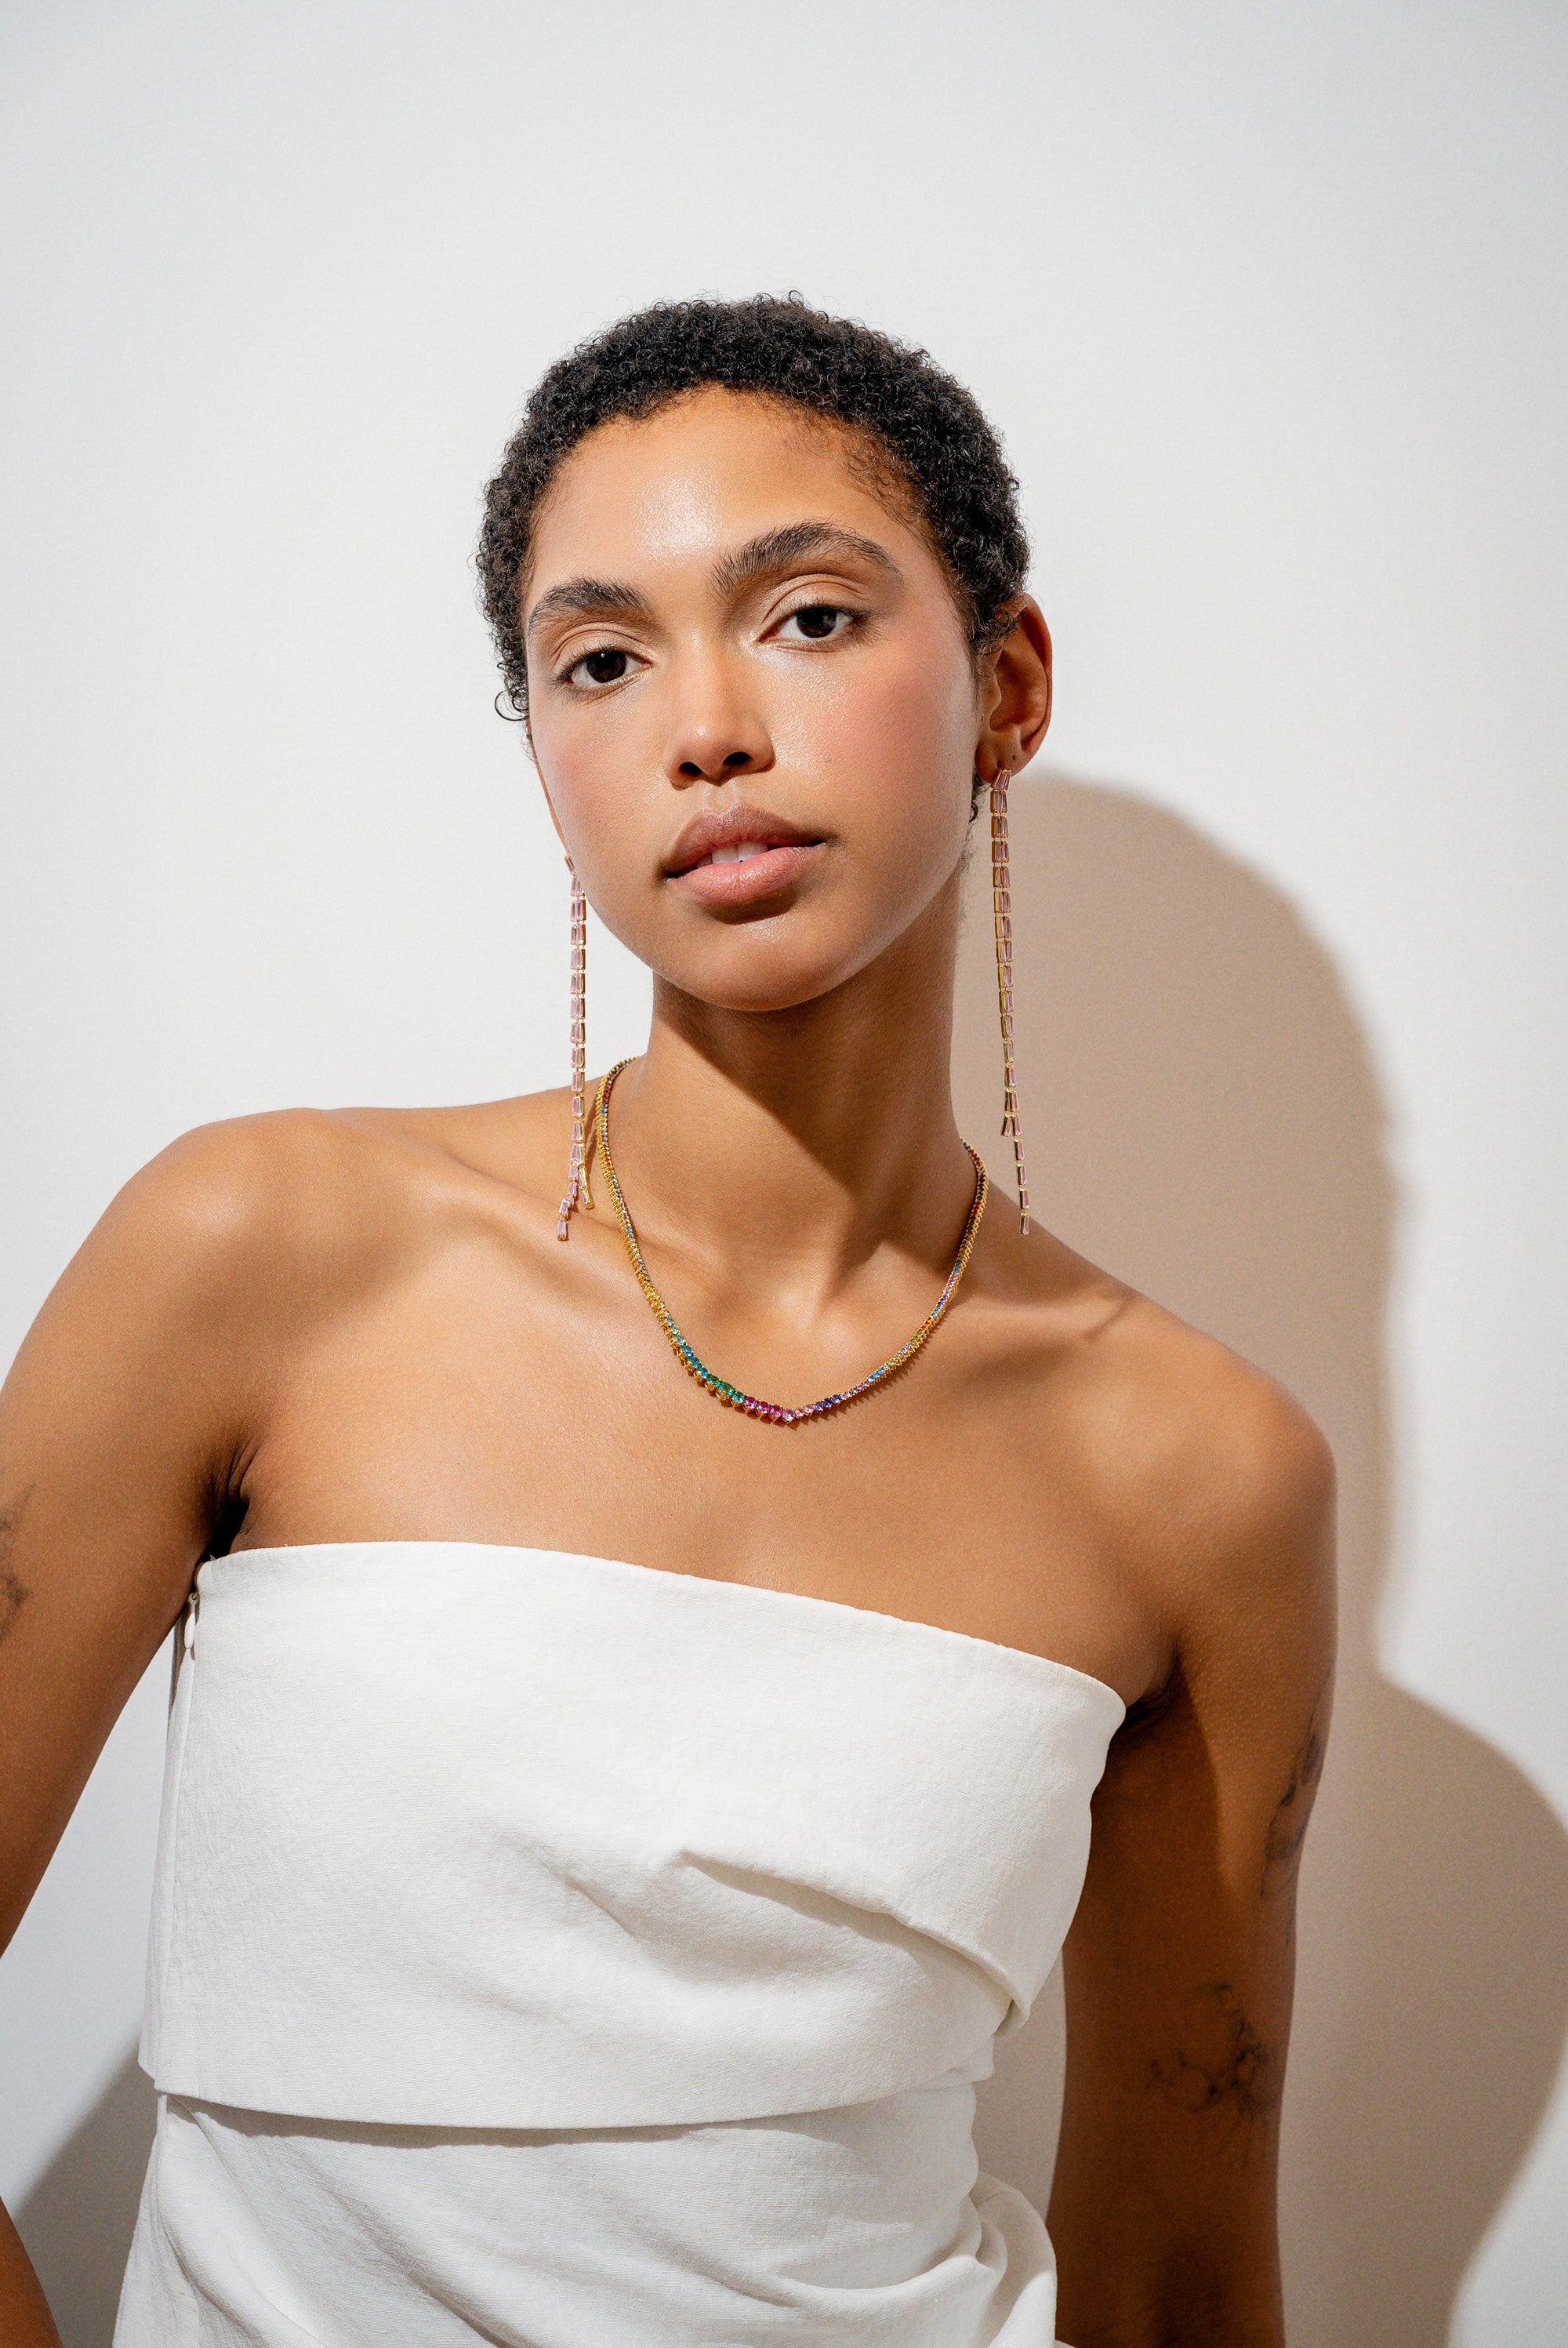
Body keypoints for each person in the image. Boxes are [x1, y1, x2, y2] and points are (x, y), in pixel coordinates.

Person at [0, 296, 1334, 2348]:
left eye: (808, 617)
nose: (705, 727)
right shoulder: (261, 1252)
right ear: (546, 753)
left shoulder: (1201, 1472)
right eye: (602, 660)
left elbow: (1178, 2278)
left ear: (1006, 685)